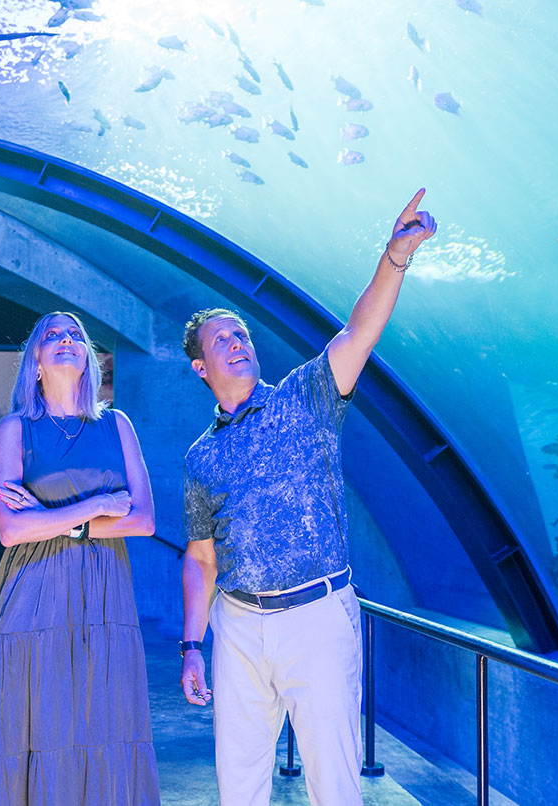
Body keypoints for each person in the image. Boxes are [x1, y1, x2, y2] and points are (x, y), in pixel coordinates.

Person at [179, 191, 437, 806]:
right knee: (238, 786)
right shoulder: (199, 457)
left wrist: (394, 257)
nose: (238, 342)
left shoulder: (306, 397)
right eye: (222, 340)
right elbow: (200, 558)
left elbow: (360, 330)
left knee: (335, 786)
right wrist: (192, 646)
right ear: (200, 368)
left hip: (318, 616)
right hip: (238, 625)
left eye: (241, 334)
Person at [0, 312, 161, 805]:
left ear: (89, 359)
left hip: (105, 596)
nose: (66, 339)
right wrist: (94, 508)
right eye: (51, 335)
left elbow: (143, 519)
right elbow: (12, 530)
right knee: (33, 724)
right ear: (35, 361)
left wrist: (51, 518)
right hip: (32, 594)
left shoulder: (117, 425)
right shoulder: (15, 429)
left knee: (103, 720)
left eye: (75, 334)